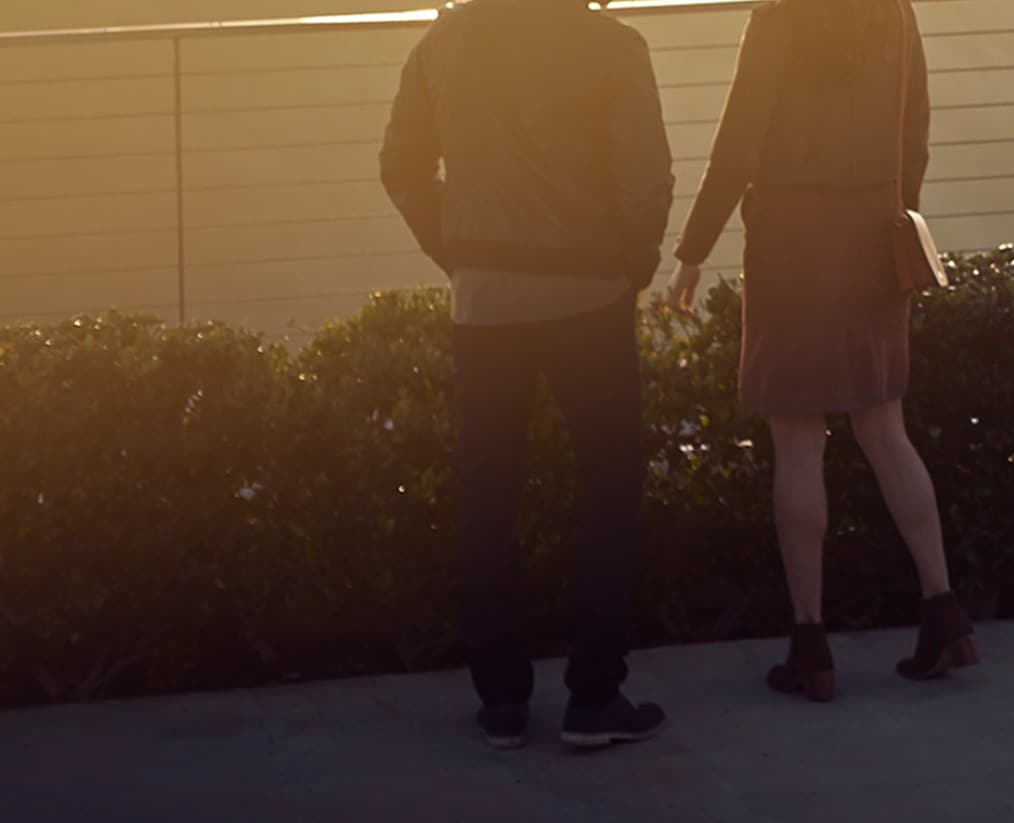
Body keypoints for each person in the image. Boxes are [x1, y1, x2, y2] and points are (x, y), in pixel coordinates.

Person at [379, 0, 671, 749]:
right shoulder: (611, 43)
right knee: (609, 489)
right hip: (591, 295)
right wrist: (629, 269)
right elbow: (647, 175)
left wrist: (461, 253)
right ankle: (594, 697)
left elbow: (400, 164)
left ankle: (503, 701)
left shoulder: (445, 42)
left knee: (487, 497)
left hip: (484, 303)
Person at [664, 0, 972, 703]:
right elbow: (915, 134)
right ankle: (943, 608)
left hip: (790, 235)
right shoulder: (894, 13)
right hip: (875, 228)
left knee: (799, 440)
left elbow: (738, 143)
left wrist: (691, 253)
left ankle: (810, 644)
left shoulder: (778, 18)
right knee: (885, 429)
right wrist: (899, 218)